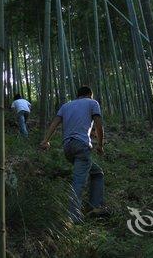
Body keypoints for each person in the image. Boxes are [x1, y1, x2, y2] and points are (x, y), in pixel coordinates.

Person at [40, 86, 105, 223]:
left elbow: (54, 123)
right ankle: (73, 217)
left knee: (97, 173)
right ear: (89, 95)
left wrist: (46, 140)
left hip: (67, 147)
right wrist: (100, 145)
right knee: (79, 181)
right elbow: (99, 124)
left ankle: (94, 206)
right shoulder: (92, 103)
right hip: (81, 145)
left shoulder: (66, 106)